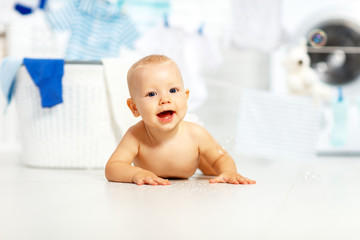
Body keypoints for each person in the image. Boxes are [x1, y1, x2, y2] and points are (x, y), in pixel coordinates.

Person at [105, 55, 256, 185]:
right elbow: (113, 167)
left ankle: (203, 161)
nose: (165, 99)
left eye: (173, 90)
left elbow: (221, 158)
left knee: (212, 164)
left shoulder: (195, 133)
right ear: (134, 107)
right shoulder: (135, 135)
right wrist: (135, 174)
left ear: (186, 97)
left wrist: (228, 172)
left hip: (192, 166)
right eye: (151, 94)